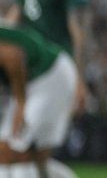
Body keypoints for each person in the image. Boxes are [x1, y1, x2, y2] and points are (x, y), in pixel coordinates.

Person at [0, 24, 78, 178]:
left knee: (16, 152)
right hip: (32, 82)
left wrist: (21, 104)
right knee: (15, 154)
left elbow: (13, 57)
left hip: (50, 75)